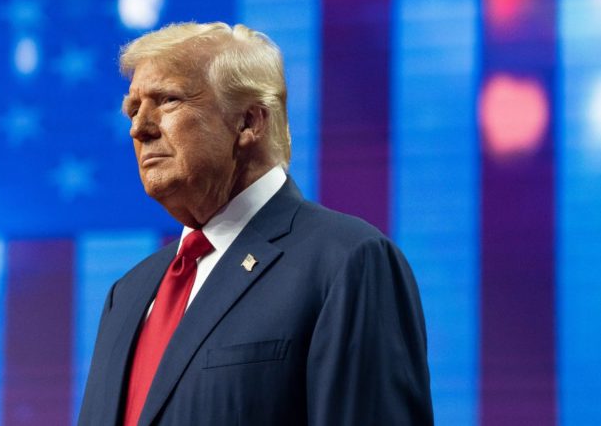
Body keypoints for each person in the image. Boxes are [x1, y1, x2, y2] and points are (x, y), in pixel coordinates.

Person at [78, 22, 433, 426]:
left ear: (248, 122)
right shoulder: (127, 295)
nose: (138, 128)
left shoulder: (346, 262)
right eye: (133, 109)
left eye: (168, 100)